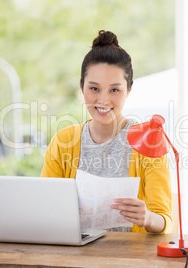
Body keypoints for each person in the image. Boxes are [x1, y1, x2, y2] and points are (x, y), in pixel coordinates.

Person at [41, 30, 172, 234]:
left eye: (114, 90)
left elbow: (165, 221)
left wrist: (147, 218)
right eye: (94, 89)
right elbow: (45, 207)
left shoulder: (148, 141)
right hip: (74, 257)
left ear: (128, 90)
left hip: (129, 260)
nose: (103, 100)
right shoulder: (63, 141)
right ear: (82, 86)